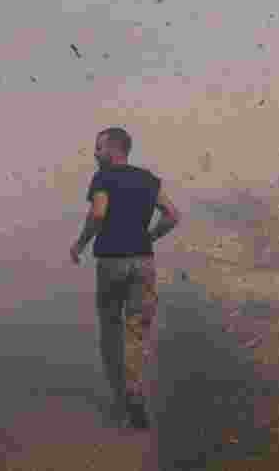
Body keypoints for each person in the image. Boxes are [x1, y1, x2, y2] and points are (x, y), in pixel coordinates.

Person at [68, 127, 181, 430]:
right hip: (143, 262)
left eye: (99, 148)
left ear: (115, 149)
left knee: (110, 328)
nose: (95, 153)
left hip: (111, 263)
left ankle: (120, 396)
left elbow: (99, 212)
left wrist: (80, 243)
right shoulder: (147, 179)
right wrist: (150, 237)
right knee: (136, 330)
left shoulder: (103, 178)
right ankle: (134, 391)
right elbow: (172, 214)